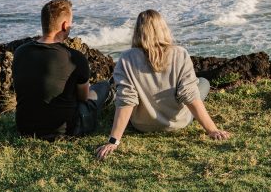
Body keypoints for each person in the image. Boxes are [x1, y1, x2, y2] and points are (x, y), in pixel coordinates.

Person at [95, 9, 230, 160]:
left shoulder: (127, 58)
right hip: (177, 123)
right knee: (203, 83)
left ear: (138, 31)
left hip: (142, 125)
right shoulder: (180, 54)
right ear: (163, 29)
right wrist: (212, 130)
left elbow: (126, 101)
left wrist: (114, 141)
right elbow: (189, 96)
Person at [12, 0, 111, 139]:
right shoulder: (75, 57)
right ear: (65, 25)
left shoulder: (20, 52)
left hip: (24, 128)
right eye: (71, 23)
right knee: (103, 86)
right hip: (65, 131)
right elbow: (83, 97)